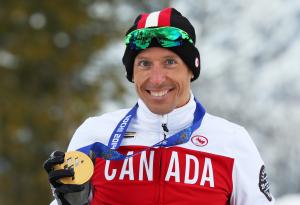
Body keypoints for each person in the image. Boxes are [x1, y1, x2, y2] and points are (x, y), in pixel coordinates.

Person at [44, 7, 275, 205]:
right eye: (144, 64)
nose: (156, 79)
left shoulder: (231, 141)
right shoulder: (95, 135)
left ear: (191, 69)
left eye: (170, 62)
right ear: (132, 73)